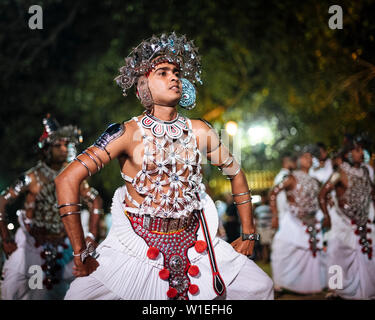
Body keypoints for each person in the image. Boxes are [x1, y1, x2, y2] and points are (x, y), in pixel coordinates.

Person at [55, 32, 274, 300]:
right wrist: (80, 252)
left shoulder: (200, 130)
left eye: (177, 72)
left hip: (196, 243)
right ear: (143, 85)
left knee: (260, 287)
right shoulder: (124, 133)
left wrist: (249, 233)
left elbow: (236, 173)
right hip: (137, 247)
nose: (174, 77)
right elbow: (67, 180)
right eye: (163, 72)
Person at [0, 115, 103, 300]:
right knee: (16, 288)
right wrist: (6, 239)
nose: (64, 149)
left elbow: (95, 200)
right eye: (58, 146)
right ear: (46, 148)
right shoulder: (31, 178)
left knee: (79, 288)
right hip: (31, 245)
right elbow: (2, 201)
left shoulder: (73, 177)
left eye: (66, 145)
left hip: (64, 247)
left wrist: (92, 236)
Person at [319, 137, 375, 299]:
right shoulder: (339, 173)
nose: (361, 153)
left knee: (367, 256)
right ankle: (336, 290)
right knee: (337, 255)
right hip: (342, 223)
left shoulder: (365, 171)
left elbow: (372, 193)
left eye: (362, 150)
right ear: (349, 154)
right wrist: (327, 216)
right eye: (357, 150)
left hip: (365, 221)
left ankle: (363, 291)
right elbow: (323, 194)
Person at [270, 146, 326, 294]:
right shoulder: (291, 177)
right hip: (292, 221)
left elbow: (321, 197)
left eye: (310, 157)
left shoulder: (314, 180)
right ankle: (279, 285)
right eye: (305, 157)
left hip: (311, 222)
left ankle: (305, 285)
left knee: (309, 254)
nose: (309, 160)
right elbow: (273, 193)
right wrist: (275, 215)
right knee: (280, 250)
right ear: (299, 160)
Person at [273, 152, 296, 221]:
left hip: (286, 214)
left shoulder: (282, 175)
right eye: (293, 161)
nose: (295, 163)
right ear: (286, 161)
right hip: (286, 215)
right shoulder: (284, 176)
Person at [254, 190, 274, 263]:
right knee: (263, 245)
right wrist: (255, 228)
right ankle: (265, 258)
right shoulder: (257, 209)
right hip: (261, 228)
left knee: (270, 244)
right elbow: (255, 219)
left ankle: (270, 258)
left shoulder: (270, 207)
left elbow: (273, 217)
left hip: (269, 227)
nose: (263, 199)